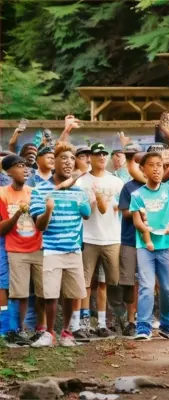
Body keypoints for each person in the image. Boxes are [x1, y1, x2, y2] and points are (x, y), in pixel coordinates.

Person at [29, 143, 91, 347]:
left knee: (72, 293)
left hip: (74, 249)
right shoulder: (40, 190)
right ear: (53, 161)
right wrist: (48, 211)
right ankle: (49, 333)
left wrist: (84, 196)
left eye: (72, 158)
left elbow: (86, 214)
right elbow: (40, 226)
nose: (68, 162)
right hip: (50, 249)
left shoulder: (79, 190)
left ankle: (66, 333)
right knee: (50, 294)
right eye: (63, 158)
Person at [129, 151, 169, 341]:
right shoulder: (137, 194)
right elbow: (136, 222)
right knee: (146, 286)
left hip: (167, 245)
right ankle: (143, 326)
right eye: (151, 165)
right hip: (144, 246)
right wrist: (147, 232)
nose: (156, 169)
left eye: (159, 165)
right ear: (143, 170)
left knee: (168, 288)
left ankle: (167, 324)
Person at [76, 143, 125, 338]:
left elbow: (120, 208)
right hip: (89, 238)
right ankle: (85, 323)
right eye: (98, 154)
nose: (102, 157)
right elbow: (82, 210)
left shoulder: (116, 182)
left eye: (105, 154)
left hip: (112, 237)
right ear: (91, 158)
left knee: (107, 283)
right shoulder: (82, 182)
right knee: (86, 283)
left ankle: (103, 323)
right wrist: (94, 200)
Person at [0, 155, 43, 344]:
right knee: (12, 289)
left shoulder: (34, 192)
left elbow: (42, 224)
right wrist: (18, 213)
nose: (25, 169)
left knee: (37, 292)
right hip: (10, 247)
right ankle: (11, 330)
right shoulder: (1, 194)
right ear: (8, 172)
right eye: (19, 166)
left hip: (34, 248)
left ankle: (33, 329)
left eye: (26, 166)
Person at [117, 143, 144, 337]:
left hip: (153, 240)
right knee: (129, 283)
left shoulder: (157, 185)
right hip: (129, 239)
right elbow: (125, 211)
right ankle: (131, 320)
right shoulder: (128, 186)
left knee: (148, 282)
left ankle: (146, 319)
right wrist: (140, 210)